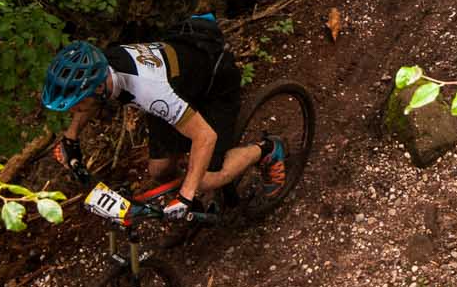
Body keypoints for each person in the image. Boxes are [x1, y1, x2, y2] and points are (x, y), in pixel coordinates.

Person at [38, 22, 283, 218]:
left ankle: (267, 150)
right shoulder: (105, 68)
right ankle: (196, 205)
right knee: (160, 169)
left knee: (205, 179)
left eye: (76, 104)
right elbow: (89, 104)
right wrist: (71, 139)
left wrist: (187, 194)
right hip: (178, 85)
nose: (74, 111)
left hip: (213, 85)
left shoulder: (148, 91)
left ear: (98, 88)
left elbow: (205, 136)